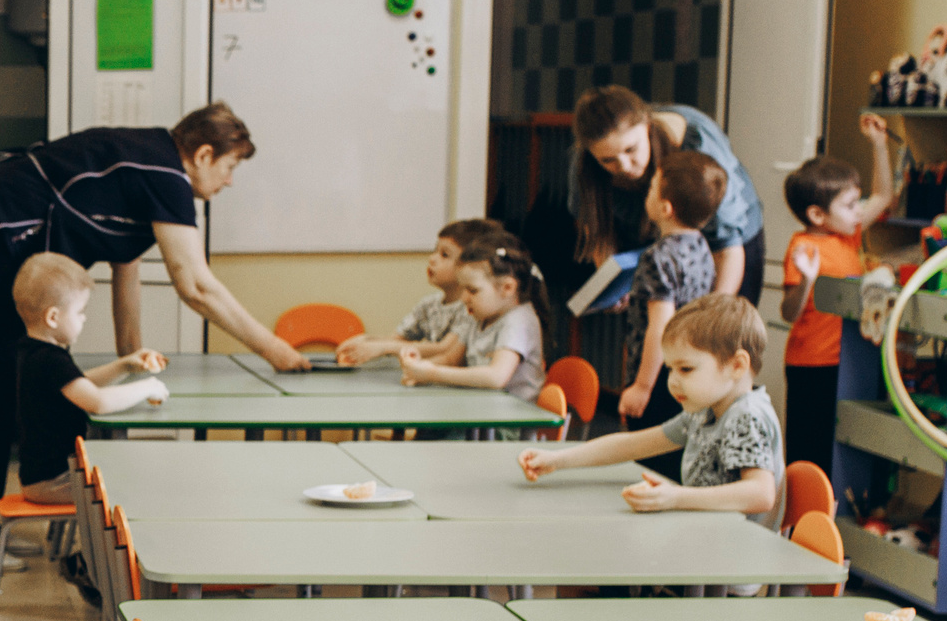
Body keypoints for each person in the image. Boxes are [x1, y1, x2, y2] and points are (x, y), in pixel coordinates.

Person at [0, 104, 307, 570]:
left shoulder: (148, 162)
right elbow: (196, 285)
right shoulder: (165, 174)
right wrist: (276, 351)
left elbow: (127, 269)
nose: (230, 180)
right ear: (203, 155)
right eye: (231, 166)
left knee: (3, 380)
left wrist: (131, 354)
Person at [517, 296, 782, 522]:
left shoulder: (746, 416)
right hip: (703, 539)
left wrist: (676, 497)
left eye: (686, 369)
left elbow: (760, 494)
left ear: (737, 366)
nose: (672, 381)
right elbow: (632, 445)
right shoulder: (705, 410)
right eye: (670, 369)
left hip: (729, 564)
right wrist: (557, 460)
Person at [570, 85, 766, 306]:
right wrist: (612, 287)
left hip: (730, 244)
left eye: (631, 149)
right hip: (658, 241)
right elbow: (599, 233)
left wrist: (711, 316)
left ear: (648, 124)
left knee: (723, 327)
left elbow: (728, 246)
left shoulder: (700, 146)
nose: (624, 166)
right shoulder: (586, 164)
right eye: (608, 160)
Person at [780, 115, 896, 483]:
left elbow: (883, 196)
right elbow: (788, 312)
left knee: (843, 453)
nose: (859, 210)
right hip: (812, 368)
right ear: (817, 214)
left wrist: (879, 145)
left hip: (849, 363)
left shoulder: (847, 236)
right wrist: (806, 282)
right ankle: (799, 526)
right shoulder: (802, 247)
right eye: (849, 205)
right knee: (809, 455)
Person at [11, 254, 167, 506]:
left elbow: (79, 383)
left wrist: (124, 365)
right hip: (53, 481)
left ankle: (92, 546)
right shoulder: (50, 360)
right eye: (80, 311)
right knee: (127, 484)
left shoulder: (32, 351)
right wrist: (149, 386)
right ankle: (102, 546)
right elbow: (97, 402)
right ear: (53, 317)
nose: (84, 318)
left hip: (42, 477)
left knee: (119, 474)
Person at [618, 149, 729, 459]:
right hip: (687, 372)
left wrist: (641, 387)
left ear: (665, 207)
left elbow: (661, 327)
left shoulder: (658, 256)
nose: (647, 191)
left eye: (652, 186)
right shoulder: (702, 246)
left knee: (647, 457)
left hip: (658, 376)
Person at [400, 234, 549, 407]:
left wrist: (432, 373)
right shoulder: (480, 316)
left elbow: (496, 377)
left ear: (507, 288)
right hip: (480, 413)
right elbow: (451, 359)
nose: (464, 298)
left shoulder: (519, 321)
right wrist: (418, 367)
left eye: (472, 290)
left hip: (506, 426)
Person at [335, 218, 505, 366]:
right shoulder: (429, 305)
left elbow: (445, 349)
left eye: (444, 255)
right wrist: (366, 341)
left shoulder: (473, 308)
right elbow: (398, 339)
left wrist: (383, 348)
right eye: (435, 251)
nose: (432, 259)